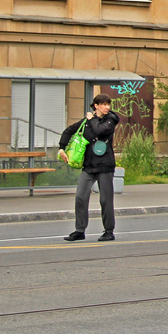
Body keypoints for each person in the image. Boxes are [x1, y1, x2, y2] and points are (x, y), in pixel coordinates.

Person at [59, 94, 119, 242]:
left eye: (108, 104)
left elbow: (99, 131)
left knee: (105, 199)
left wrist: (92, 119)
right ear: (96, 106)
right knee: (80, 196)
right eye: (103, 104)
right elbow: (69, 130)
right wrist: (61, 148)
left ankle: (109, 231)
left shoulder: (111, 119)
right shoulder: (86, 121)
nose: (107, 107)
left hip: (105, 165)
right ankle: (80, 230)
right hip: (89, 166)